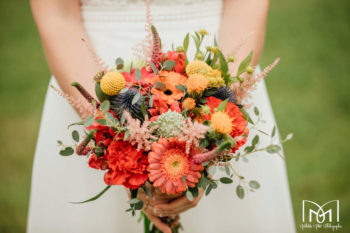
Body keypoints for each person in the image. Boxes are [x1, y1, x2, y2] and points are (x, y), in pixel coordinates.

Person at [27, 0, 295, 232]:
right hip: (85, 70)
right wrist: (115, 136)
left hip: (217, 66)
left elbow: (245, 8)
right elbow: (57, 14)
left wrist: (208, 135)